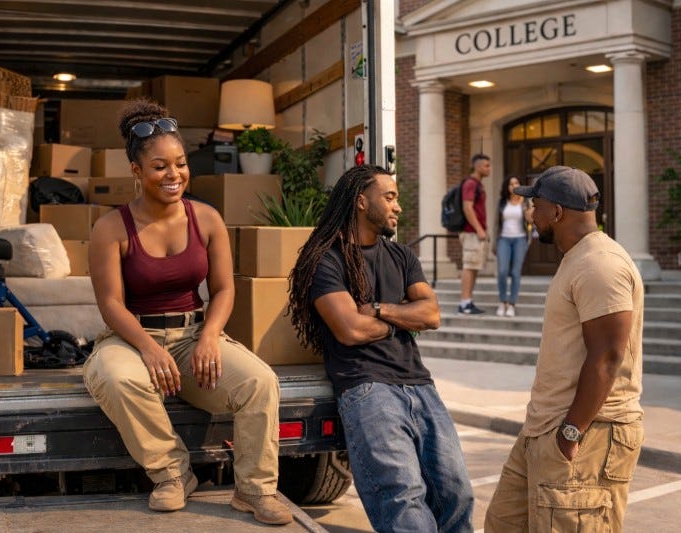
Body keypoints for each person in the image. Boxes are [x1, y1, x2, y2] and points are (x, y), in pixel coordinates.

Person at [83, 98, 292, 525]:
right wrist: (149, 349)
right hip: (130, 337)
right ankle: (173, 476)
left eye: (179, 163)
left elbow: (223, 289)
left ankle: (254, 491)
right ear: (137, 171)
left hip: (193, 335)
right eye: (160, 166)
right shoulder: (109, 229)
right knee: (117, 378)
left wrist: (211, 337)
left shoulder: (208, 219)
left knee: (260, 382)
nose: (173, 174)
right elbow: (110, 305)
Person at [288, 165, 474, 533]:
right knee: (402, 495)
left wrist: (379, 308)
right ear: (361, 202)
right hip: (366, 387)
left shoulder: (402, 256)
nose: (398, 206)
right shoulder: (326, 259)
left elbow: (432, 314)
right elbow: (350, 330)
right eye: (389, 196)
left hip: (420, 384)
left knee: (457, 492)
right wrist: (405, 317)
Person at [485, 166, 644, 532]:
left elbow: (608, 357)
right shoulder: (577, 258)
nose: (530, 214)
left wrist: (571, 432)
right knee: (503, 523)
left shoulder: (600, 264)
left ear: (556, 213)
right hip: (542, 428)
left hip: (585, 434)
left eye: (536, 205)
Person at [493, 175, 534, 317]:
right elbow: (496, 223)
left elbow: (530, 222)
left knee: (516, 273)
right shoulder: (502, 202)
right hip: (504, 238)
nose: (514, 185)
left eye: (516, 183)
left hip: (520, 239)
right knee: (503, 271)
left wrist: (529, 213)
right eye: (511, 184)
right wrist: (494, 242)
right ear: (507, 187)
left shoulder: (526, 202)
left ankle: (512, 304)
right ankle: (502, 301)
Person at [458, 153, 491, 314]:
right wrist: (479, 229)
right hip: (472, 233)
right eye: (486, 165)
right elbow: (467, 207)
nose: (489, 168)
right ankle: (464, 303)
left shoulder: (478, 184)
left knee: (474, 267)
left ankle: (468, 301)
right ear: (477, 166)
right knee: (469, 266)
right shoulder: (471, 183)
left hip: (476, 233)